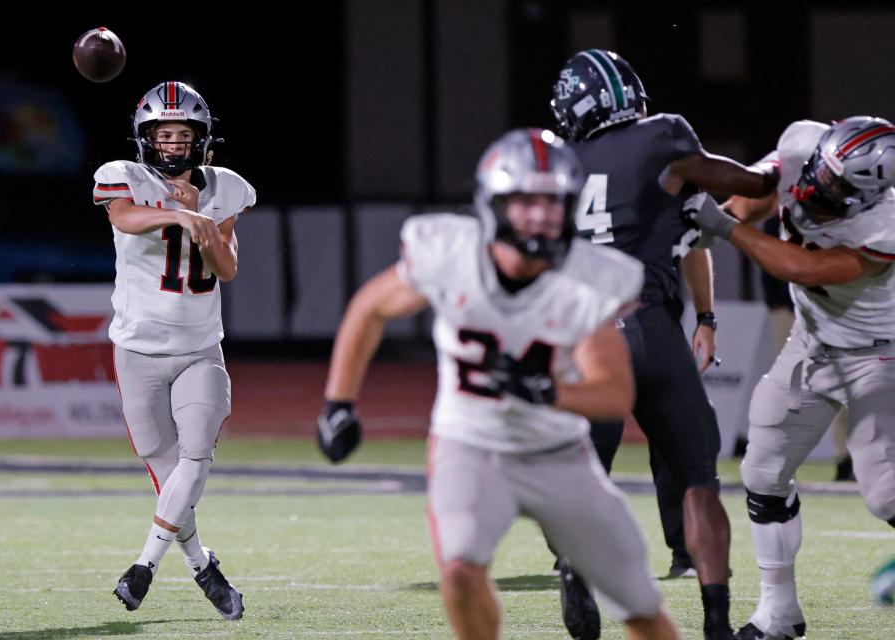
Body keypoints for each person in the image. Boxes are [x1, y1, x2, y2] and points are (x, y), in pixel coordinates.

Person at [317, 128, 681, 640]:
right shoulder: (450, 251)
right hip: (469, 445)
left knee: (641, 606)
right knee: (461, 570)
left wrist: (546, 391)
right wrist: (339, 402)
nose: (540, 215)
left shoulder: (590, 275)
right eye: (526, 201)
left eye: (552, 202)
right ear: (494, 204)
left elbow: (614, 393)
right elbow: (369, 307)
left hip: (558, 452)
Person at [548, 49, 780, 640]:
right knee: (700, 480)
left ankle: (576, 562)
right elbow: (744, 186)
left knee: (583, 480)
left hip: (586, 339)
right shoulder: (662, 136)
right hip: (651, 327)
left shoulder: (559, 164)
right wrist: (777, 173)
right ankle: (717, 622)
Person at [687, 115, 895, 639]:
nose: (819, 186)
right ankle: (778, 612)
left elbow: (804, 269)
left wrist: (721, 225)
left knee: (885, 491)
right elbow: (761, 192)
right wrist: (725, 211)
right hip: (813, 341)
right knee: (762, 468)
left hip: (880, 352)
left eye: (836, 187)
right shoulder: (804, 144)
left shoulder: (886, 222)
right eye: (822, 171)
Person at [92, 81, 256, 619]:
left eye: (182, 134)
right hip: (137, 350)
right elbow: (123, 217)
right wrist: (177, 214)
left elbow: (226, 268)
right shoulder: (125, 176)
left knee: (195, 458)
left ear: (202, 139)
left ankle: (144, 565)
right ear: (145, 139)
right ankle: (202, 564)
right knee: (168, 475)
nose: (172, 144)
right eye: (162, 134)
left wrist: (202, 220)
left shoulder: (225, 188)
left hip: (199, 349)